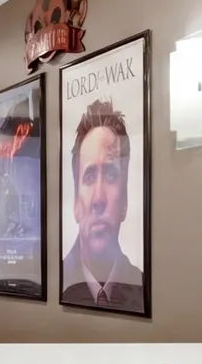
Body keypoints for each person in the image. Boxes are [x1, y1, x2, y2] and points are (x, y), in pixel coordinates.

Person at [60, 99, 144, 312]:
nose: (98, 199)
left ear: (124, 200)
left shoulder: (144, 289)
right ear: (76, 205)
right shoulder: (52, 283)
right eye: (88, 177)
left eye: (110, 174)